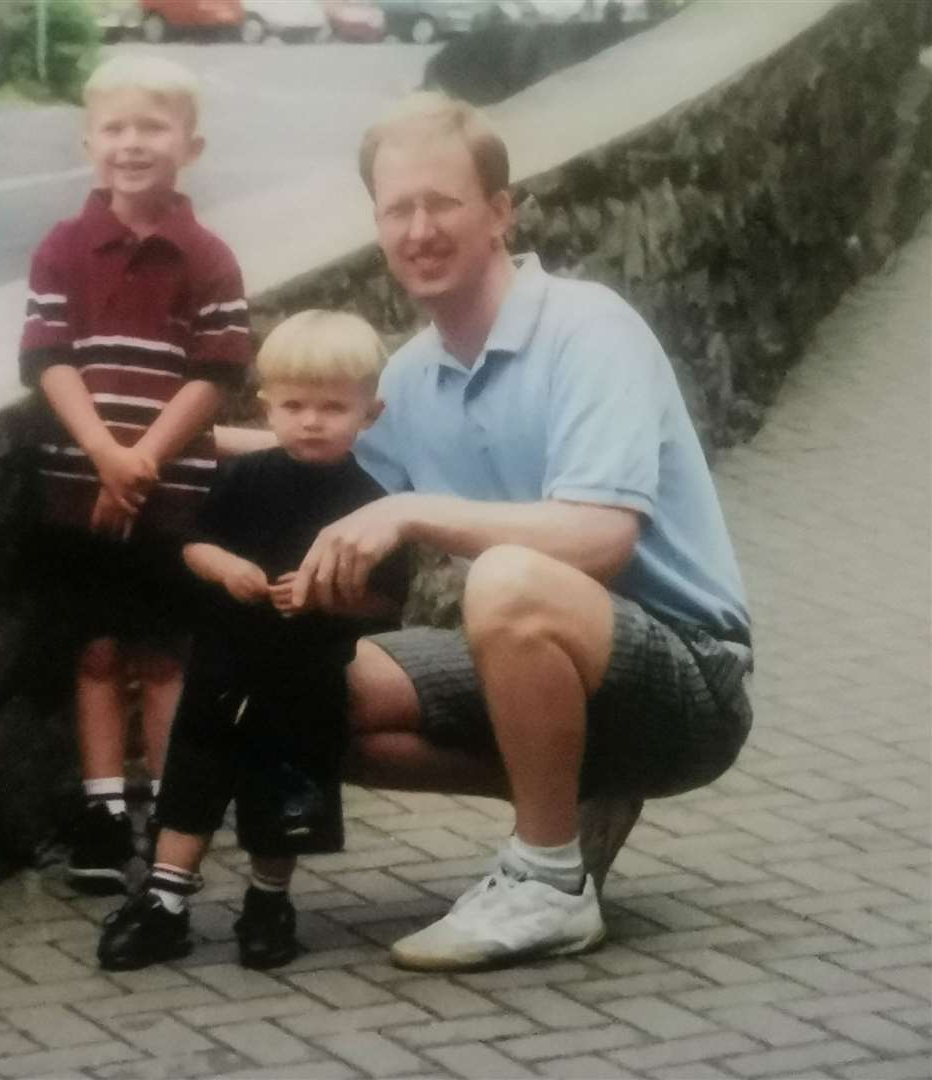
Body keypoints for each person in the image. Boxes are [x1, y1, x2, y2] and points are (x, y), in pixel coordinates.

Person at [230, 92, 754, 972]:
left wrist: (411, 509)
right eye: (398, 208)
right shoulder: (413, 374)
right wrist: (153, 450)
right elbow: (308, 458)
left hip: (689, 677)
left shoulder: (588, 329)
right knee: (303, 681)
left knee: (505, 578)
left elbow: (600, 540)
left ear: (501, 212)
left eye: (443, 202)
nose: (420, 228)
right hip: (543, 667)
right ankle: (579, 791)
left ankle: (548, 883)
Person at [97, 311, 409, 972]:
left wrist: (329, 594)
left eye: (332, 406)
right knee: (191, 784)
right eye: (294, 405)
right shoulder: (243, 478)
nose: (311, 420)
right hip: (223, 668)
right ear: (267, 406)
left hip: (307, 679)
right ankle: (165, 904)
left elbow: (387, 599)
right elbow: (192, 545)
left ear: (370, 413)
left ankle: (269, 903)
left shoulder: (372, 503)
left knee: (283, 797)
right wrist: (226, 568)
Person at [18, 56, 251, 894]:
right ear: (89, 144)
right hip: (77, 491)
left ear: (190, 144)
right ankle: (104, 809)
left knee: (163, 655)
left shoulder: (208, 258)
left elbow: (215, 374)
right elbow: (48, 360)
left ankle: (168, 814)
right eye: (114, 128)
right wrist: (105, 457)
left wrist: (144, 459)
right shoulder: (63, 248)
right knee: (95, 651)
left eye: (152, 127)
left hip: (170, 495)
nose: (132, 144)